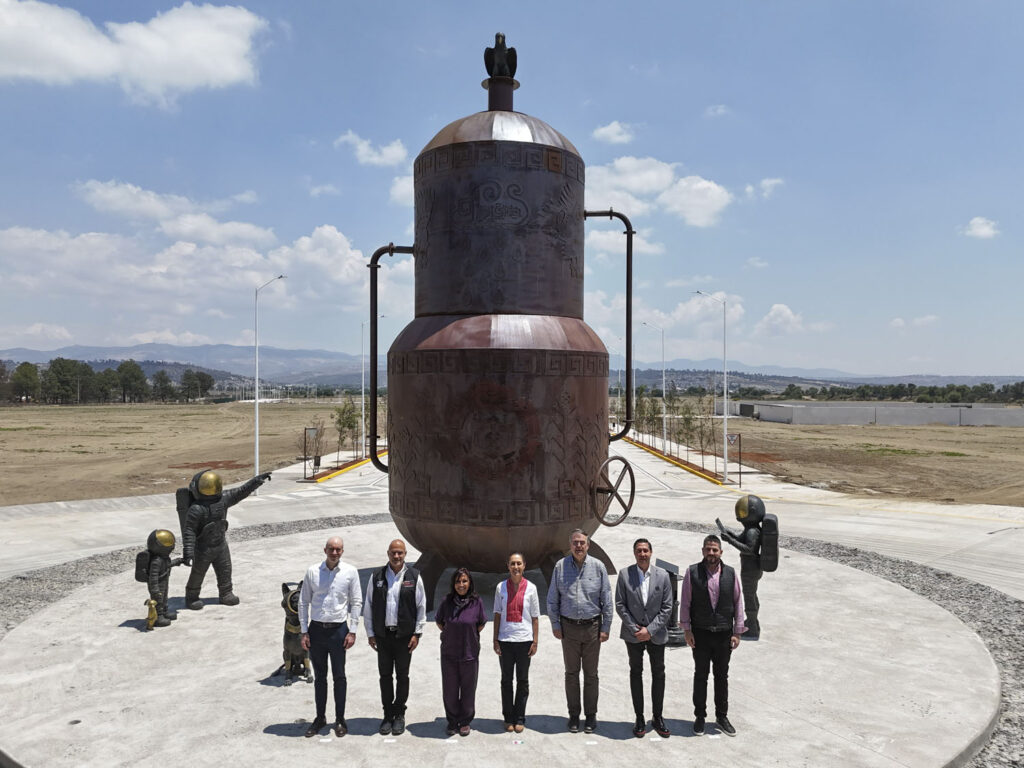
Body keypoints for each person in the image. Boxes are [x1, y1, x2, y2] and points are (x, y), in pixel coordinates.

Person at [546, 528, 613, 734]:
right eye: (575, 542)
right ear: (570, 545)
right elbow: (552, 599)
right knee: (571, 674)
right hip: (569, 629)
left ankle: (591, 715)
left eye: (582, 542)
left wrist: (605, 627)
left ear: (588, 545)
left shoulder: (598, 567)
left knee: (591, 675)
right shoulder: (560, 567)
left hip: (592, 628)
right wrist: (555, 624)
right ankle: (574, 715)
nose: (578, 546)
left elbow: (607, 599)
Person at [679, 534, 745, 737]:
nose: (711, 553)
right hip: (700, 633)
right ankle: (699, 716)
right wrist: (687, 630)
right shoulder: (692, 572)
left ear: (721, 552)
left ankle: (721, 716)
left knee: (721, 677)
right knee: (700, 676)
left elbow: (738, 602)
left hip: (724, 634)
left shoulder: (731, 573)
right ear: (702, 551)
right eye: (708, 549)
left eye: (715, 550)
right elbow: (685, 602)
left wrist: (737, 632)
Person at [298, 536, 363, 738]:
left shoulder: (350, 572)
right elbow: (303, 602)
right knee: (320, 677)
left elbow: (356, 602)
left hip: (338, 631)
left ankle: (340, 719)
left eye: (338, 549)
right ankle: (320, 718)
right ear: (325, 550)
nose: (335, 553)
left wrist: (352, 630)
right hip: (316, 630)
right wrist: (304, 631)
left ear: (342, 551)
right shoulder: (312, 572)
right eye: (331, 549)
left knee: (339, 676)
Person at [363, 539, 426, 736]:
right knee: (385, 676)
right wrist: (370, 633)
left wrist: (417, 633)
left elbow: (421, 607)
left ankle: (399, 714)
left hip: (404, 637)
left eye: (400, 552)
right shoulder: (377, 576)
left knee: (402, 676)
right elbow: (368, 606)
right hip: (383, 636)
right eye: (393, 552)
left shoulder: (414, 576)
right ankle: (387, 714)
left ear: (405, 554)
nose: (396, 556)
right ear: (388, 554)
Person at [180, 469, 269, 609]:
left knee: (225, 570)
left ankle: (226, 593)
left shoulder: (223, 499)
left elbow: (241, 491)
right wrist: (188, 551)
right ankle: (192, 596)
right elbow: (189, 531)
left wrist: (256, 481)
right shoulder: (196, 509)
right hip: (203, 548)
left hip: (221, 545)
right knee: (198, 573)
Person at [614, 538, 674, 738]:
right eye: (639, 551)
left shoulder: (662, 575)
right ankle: (639, 717)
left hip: (656, 634)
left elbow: (667, 607)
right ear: (634, 553)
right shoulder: (625, 574)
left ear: (651, 552)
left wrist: (650, 630)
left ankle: (658, 717)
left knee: (659, 674)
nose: (642, 554)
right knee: (635, 673)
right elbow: (620, 604)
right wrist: (635, 629)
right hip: (633, 635)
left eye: (645, 550)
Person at [717, 494, 777, 640]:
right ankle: (752, 622)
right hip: (752, 567)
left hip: (750, 568)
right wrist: (732, 535)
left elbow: (749, 549)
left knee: (749, 596)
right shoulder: (751, 529)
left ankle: (752, 628)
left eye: (744, 510)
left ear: (752, 512)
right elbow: (743, 541)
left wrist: (730, 540)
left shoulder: (752, 531)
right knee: (751, 595)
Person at [435, 567, 486, 736]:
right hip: (449, 653)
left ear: (470, 582)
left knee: (468, 689)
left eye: (464, 581)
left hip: (469, 653)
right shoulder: (446, 601)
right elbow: (440, 622)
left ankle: (464, 721)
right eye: (458, 581)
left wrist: (468, 634)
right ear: (453, 584)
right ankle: (452, 721)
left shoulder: (476, 602)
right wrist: (452, 632)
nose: (461, 584)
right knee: (450, 689)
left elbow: (481, 623)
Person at [493, 551, 540, 734]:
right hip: (505, 640)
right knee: (506, 680)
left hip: (524, 640)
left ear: (524, 565)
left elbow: (535, 617)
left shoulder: (532, 588)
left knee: (522, 680)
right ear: (508, 566)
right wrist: (495, 639)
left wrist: (535, 641)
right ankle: (508, 717)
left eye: (519, 563)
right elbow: (497, 614)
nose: (516, 567)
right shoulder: (500, 588)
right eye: (512, 563)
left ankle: (520, 717)